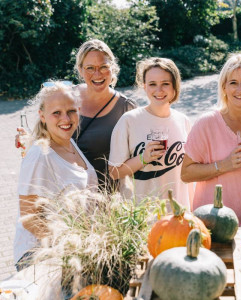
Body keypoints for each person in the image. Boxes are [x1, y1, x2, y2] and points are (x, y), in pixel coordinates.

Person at [16, 39, 136, 190]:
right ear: (80, 70)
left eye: (103, 67)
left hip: (104, 198)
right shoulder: (68, 96)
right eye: (90, 68)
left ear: (113, 68)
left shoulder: (126, 107)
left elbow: (134, 155)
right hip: (60, 193)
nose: (97, 74)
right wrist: (29, 139)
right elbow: (45, 130)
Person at [181, 54, 241, 228]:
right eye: (233, 82)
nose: (240, 89)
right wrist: (224, 165)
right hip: (215, 225)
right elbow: (186, 174)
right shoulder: (207, 123)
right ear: (224, 87)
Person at [14, 82, 98, 271]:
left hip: (74, 249)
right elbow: (29, 217)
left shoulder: (70, 143)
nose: (66, 118)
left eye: (71, 111)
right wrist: (68, 248)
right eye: (56, 113)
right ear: (42, 116)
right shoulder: (40, 156)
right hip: (41, 258)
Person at [108, 57, 192, 208]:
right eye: (153, 84)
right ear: (144, 86)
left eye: (165, 84)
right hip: (142, 216)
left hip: (178, 216)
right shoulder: (129, 121)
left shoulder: (183, 121)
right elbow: (114, 172)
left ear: (175, 86)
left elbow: (189, 174)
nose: (159, 90)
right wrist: (143, 158)